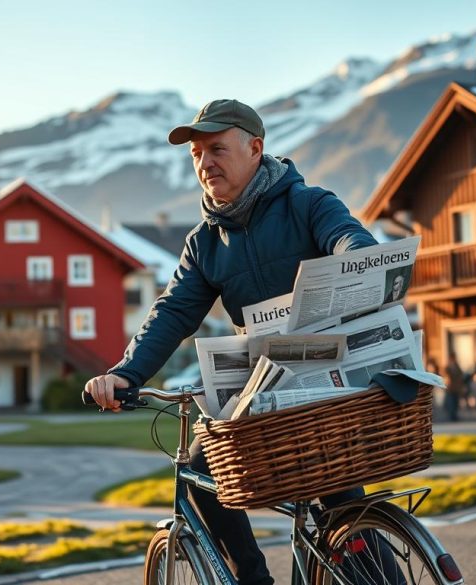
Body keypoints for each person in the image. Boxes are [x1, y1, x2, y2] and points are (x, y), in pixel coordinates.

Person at [85, 99, 378, 585]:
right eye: (197, 155)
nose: (205, 163)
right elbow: (174, 312)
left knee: (339, 504)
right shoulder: (204, 243)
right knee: (209, 471)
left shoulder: (309, 204)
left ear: (255, 148)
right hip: (265, 391)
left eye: (216, 149)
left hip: (330, 388)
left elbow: (349, 239)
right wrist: (127, 373)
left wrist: (356, 264)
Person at [443, 352, 466, 422]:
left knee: (456, 402)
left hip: (456, 388)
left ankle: (455, 415)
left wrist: (461, 386)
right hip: (450, 388)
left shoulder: (457, 366)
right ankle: (452, 416)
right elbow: (445, 376)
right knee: (451, 402)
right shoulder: (447, 367)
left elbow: (461, 375)